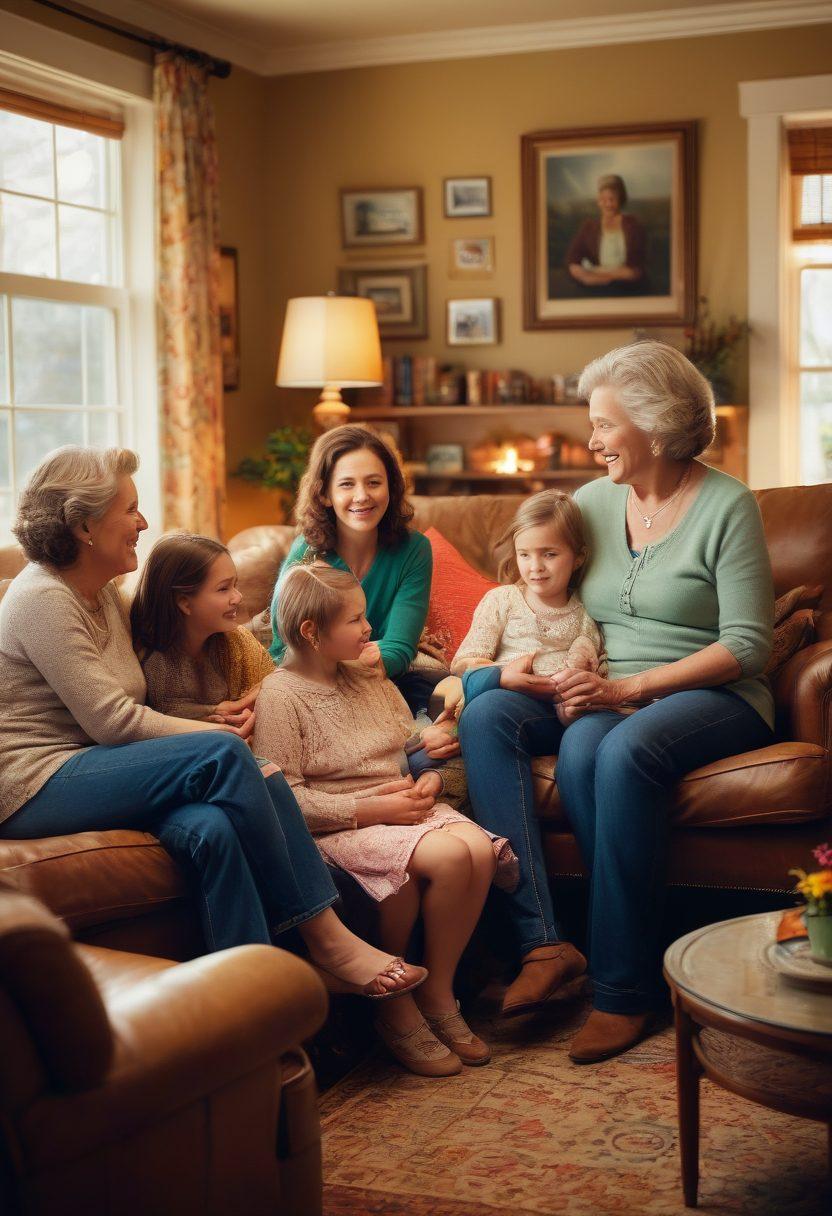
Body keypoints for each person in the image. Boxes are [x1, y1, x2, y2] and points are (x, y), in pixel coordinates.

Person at [0, 446, 425, 1001]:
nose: (143, 523)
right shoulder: (42, 599)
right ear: (83, 524)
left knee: (211, 828)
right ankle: (325, 935)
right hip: (35, 780)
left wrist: (205, 716)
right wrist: (215, 736)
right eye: (130, 510)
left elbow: (153, 688)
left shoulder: (103, 592)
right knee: (226, 756)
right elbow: (113, 721)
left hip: (105, 766)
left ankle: (256, 1001)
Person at [458, 342, 774, 1062]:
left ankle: (624, 989)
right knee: (491, 716)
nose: (592, 439)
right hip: (598, 681)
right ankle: (544, 943)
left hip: (712, 691)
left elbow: (749, 645)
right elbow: (545, 593)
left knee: (619, 750)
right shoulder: (593, 505)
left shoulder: (729, 505)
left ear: (657, 425)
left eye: (604, 423)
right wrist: (556, 675)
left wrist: (628, 688)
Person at [256, 563, 519, 1077]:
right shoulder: (279, 695)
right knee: (446, 854)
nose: (368, 629)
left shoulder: (367, 678)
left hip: (401, 808)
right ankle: (394, 1002)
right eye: (354, 619)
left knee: (477, 850)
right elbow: (283, 799)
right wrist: (371, 810)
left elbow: (409, 746)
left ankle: (438, 991)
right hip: (343, 825)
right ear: (312, 632)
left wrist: (432, 777)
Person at [269, 424, 454, 722]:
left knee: (439, 700)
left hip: (387, 678)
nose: (362, 496)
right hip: (312, 684)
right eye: (346, 484)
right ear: (325, 493)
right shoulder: (306, 551)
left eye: (373, 483)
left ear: (391, 489)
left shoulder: (415, 549)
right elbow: (285, 644)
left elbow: (398, 647)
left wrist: (337, 659)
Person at [435, 489, 604, 730]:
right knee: (488, 707)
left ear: (578, 557)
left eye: (550, 554)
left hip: (555, 714)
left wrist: (578, 698)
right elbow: (463, 664)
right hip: (505, 698)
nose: (536, 567)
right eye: (524, 555)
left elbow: (595, 667)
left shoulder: (585, 612)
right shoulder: (502, 600)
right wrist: (504, 674)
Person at [566, 174, 647, 292]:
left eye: (612, 199)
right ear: (598, 201)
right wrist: (583, 274)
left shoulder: (633, 225)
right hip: (594, 287)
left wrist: (598, 275)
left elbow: (635, 270)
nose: (608, 204)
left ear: (621, 199)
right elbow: (573, 259)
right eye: (603, 199)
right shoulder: (589, 227)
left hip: (627, 287)